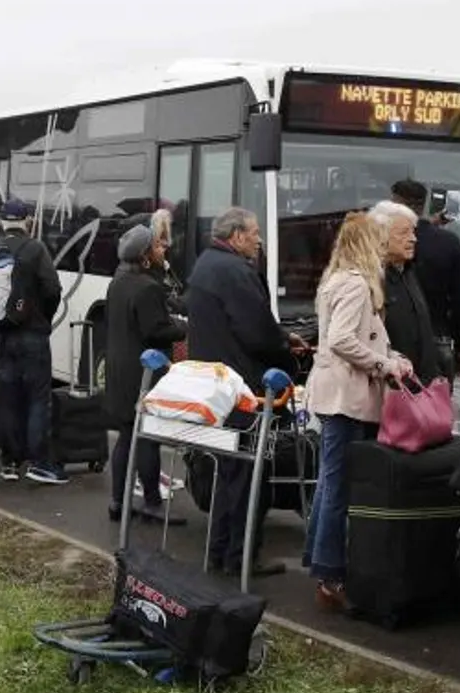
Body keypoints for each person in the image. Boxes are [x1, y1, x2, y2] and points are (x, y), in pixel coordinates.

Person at [302, 213, 411, 611]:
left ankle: (320, 563)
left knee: (330, 483)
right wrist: (385, 365)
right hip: (347, 400)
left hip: (336, 396)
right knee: (338, 487)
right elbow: (343, 339)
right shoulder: (358, 286)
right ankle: (330, 574)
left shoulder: (337, 280)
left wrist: (391, 356)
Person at [186, 207, 297, 575]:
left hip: (216, 385)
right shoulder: (236, 272)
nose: (259, 239)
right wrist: (286, 353)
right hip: (245, 388)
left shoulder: (206, 264)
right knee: (250, 476)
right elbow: (257, 333)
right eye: (254, 233)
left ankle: (220, 551)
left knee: (227, 473)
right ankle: (241, 556)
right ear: (236, 236)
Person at [102, 224, 188, 525]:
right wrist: (184, 327)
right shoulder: (147, 287)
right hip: (143, 372)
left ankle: (118, 501)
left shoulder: (119, 280)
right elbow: (155, 330)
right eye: (157, 246)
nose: (163, 248)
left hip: (120, 369)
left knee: (128, 435)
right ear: (145, 255)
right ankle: (151, 501)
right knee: (148, 436)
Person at [0, 199, 66, 485]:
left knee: (7, 400)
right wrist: (42, 317)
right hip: (32, 336)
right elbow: (53, 289)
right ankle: (39, 462)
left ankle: (9, 462)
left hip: (1, 337)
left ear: (2, 222)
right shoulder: (35, 249)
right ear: (27, 220)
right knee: (36, 399)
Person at [393, 180, 460, 374]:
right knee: (434, 402)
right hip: (438, 339)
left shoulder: (384, 242)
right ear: (422, 205)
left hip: (393, 341)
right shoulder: (448, 243)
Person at [373, 201, 443, 384]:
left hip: (420, 385)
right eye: (404, 233)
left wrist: (433, 373)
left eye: (413, 232)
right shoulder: (370, 279)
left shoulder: (408, 272)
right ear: (381, 235)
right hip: (389, 387)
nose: (413, 239)